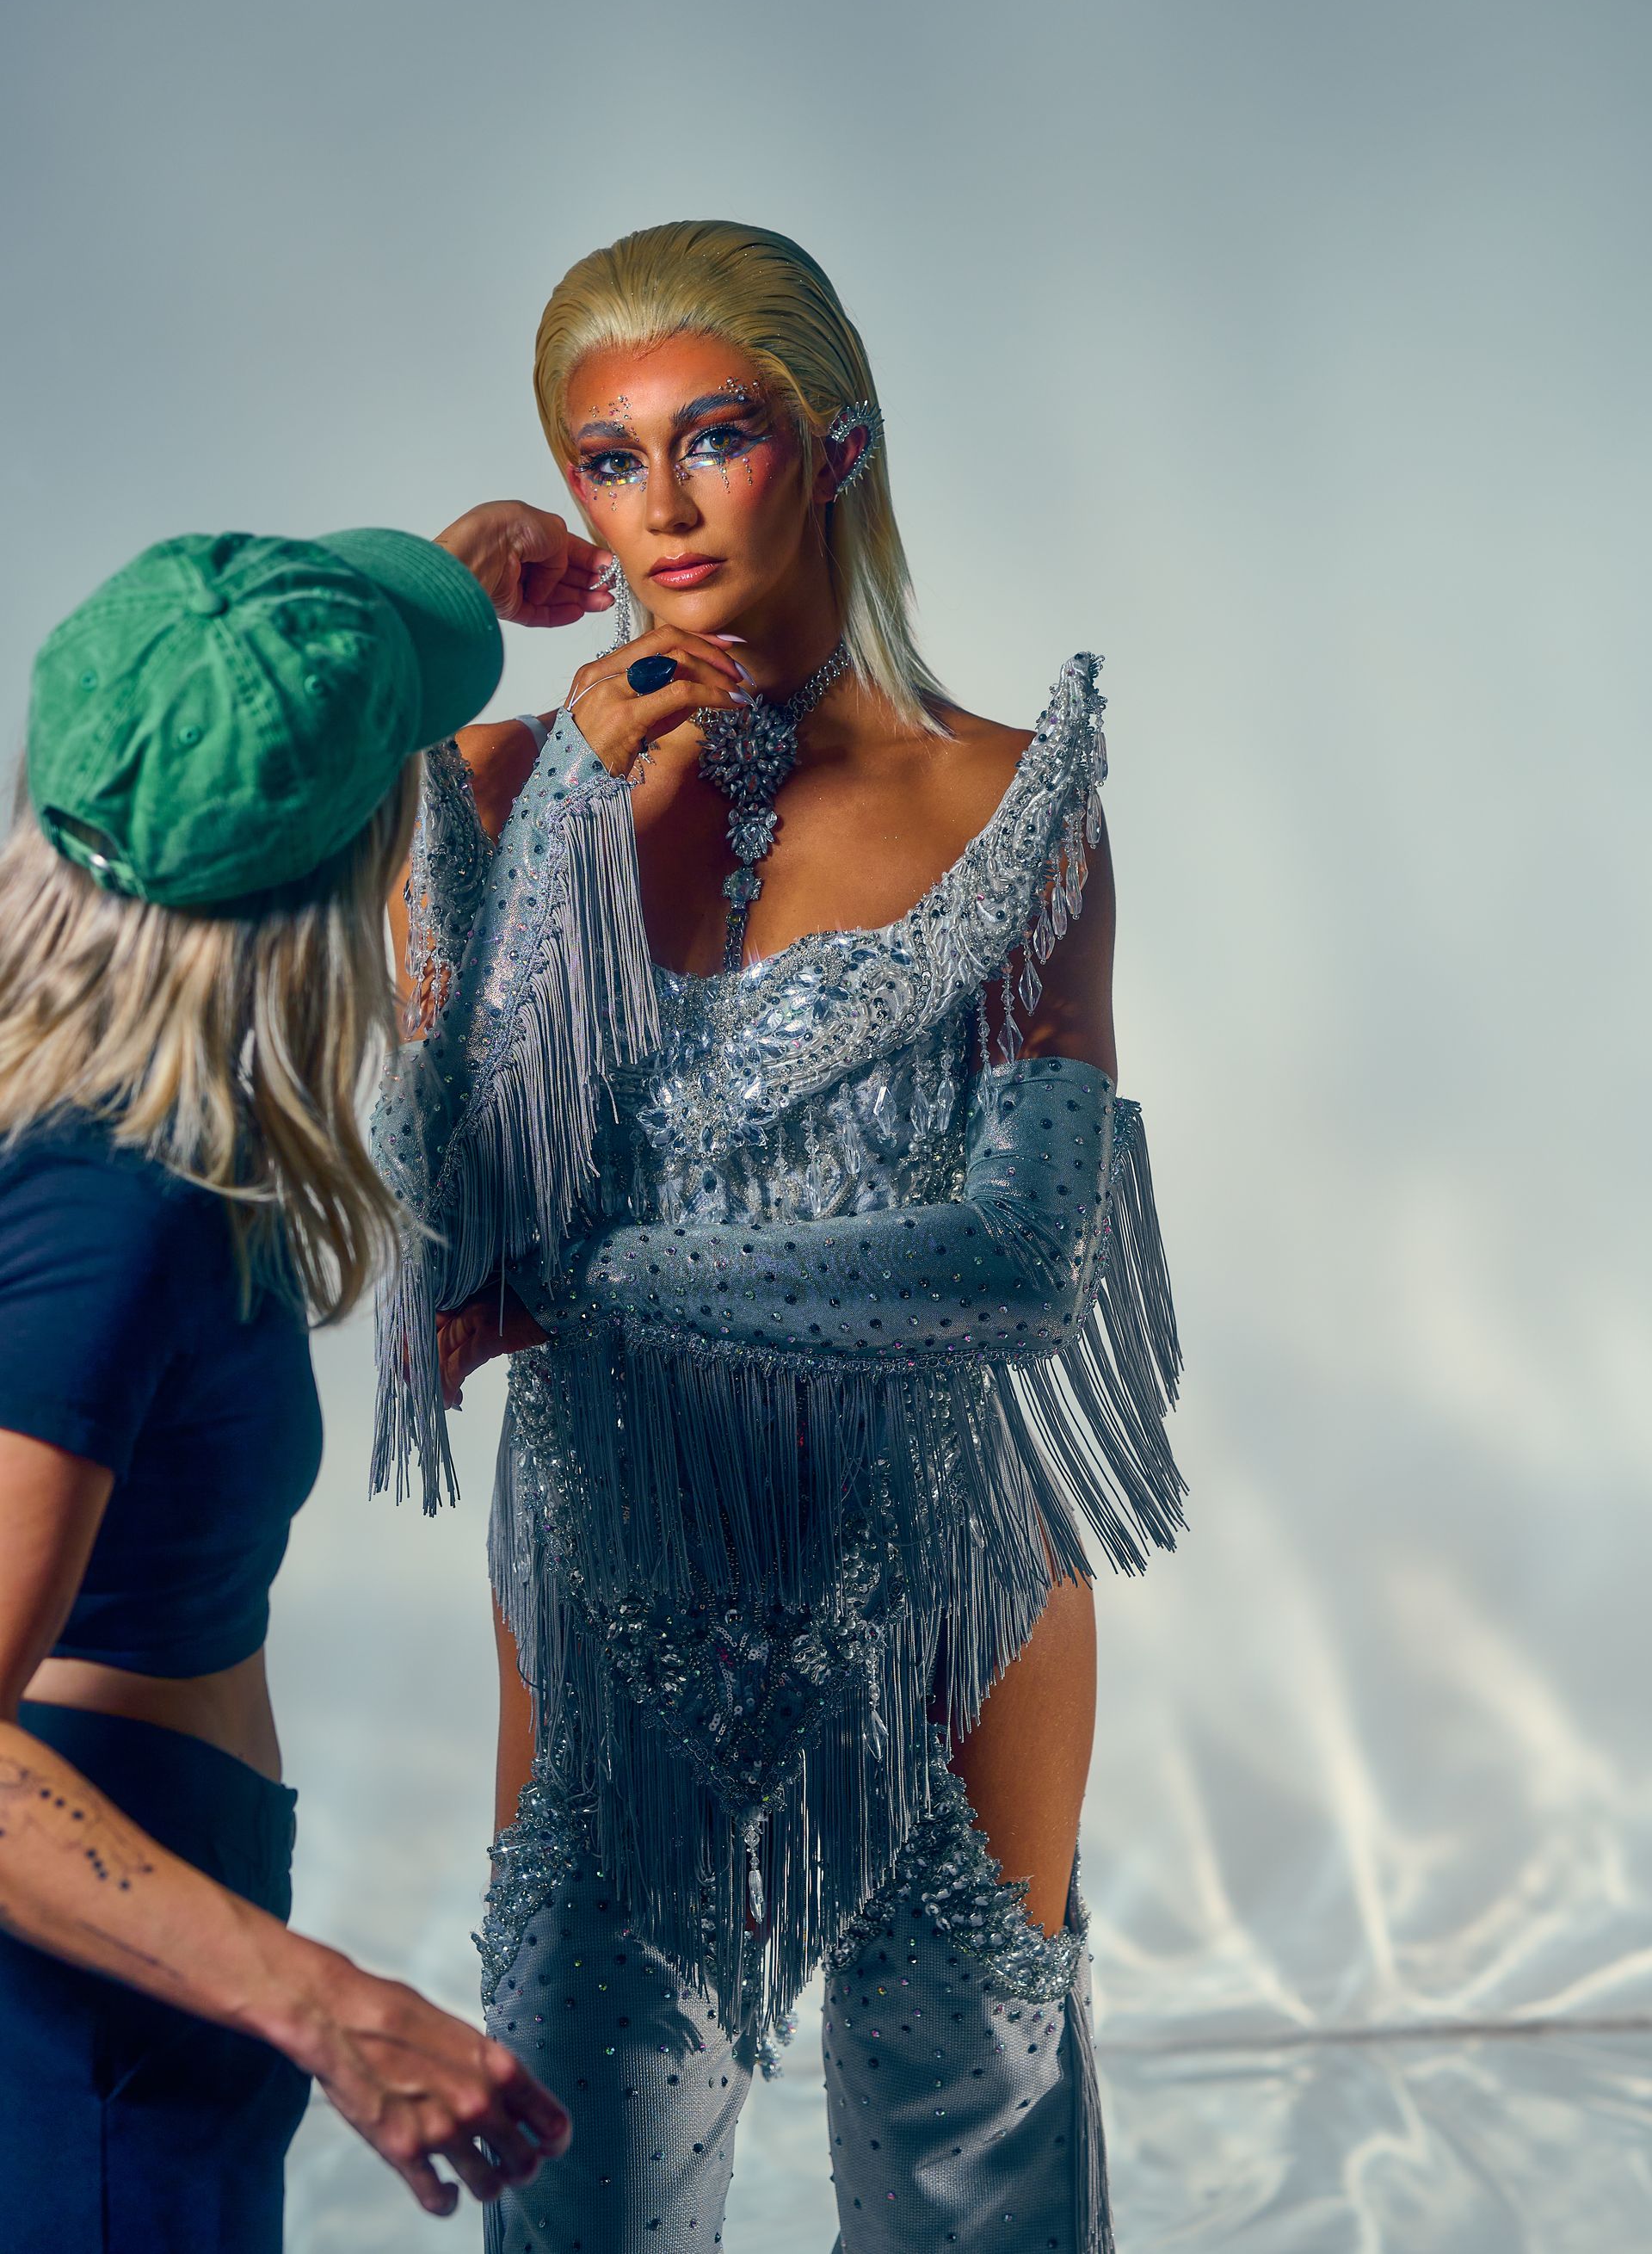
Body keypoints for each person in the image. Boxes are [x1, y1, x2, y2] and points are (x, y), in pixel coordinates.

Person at [374, 220, 1186, 2254]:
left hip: (943, 1595)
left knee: (972, 2189)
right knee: (582, 2196)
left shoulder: (1014, 794)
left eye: (710, 439)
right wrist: (534, 800)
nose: (655, 509)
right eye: (603, 459)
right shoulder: (495, 790)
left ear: (831, 446)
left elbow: (1014, 1266)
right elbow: (443, 1229)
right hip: (611, 1586)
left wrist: (594, 1286)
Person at [0, 513, 607, 2251]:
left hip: (134, 1933)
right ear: (343, 862)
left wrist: (419, 597)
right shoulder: (122, 1198)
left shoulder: (39, 1049)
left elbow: (219, 735)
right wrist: (323, 2004)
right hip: (99, 1974)